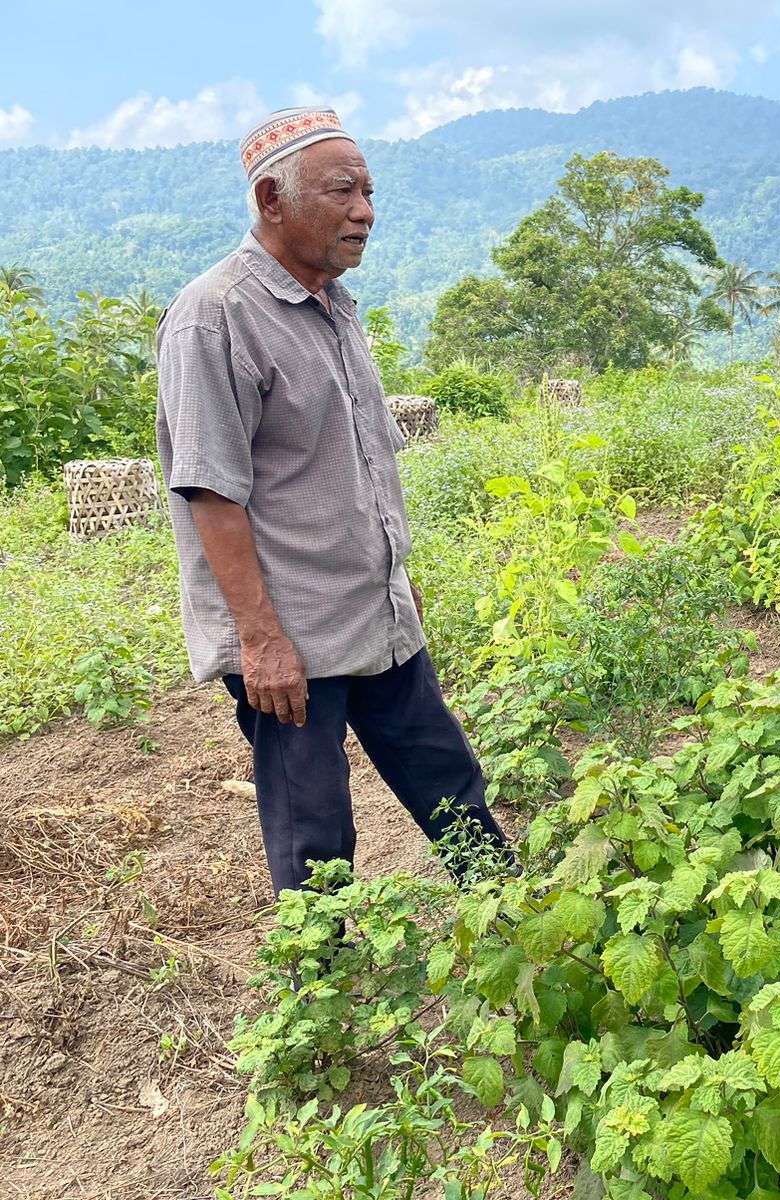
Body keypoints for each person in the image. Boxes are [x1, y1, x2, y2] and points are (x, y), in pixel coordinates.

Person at [154, 107, 510, 896]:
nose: (365, 212)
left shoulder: (334, 306)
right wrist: (260, 639)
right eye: (344, 192)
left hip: (375, 614)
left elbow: (354, 463)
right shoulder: (216, 316)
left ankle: (521, 925)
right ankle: (323, 997)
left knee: (450, 784)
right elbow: (212, 492)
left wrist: (395, 576)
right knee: (314, 836)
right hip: (292, 641)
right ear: (271, 201)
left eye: (371, 192)